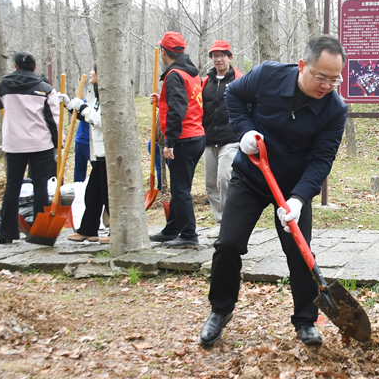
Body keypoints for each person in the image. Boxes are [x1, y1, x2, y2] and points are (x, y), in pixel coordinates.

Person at [199, 35, 348, 348]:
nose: (326, 85)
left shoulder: (335, 110)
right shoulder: (268, 75)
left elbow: (322, 160)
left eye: (334, 80)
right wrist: (245, 131)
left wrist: (298, 199)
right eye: (320, 77)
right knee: (228, 244)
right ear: (303, 66)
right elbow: (234, 97)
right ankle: (220, 310)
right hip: (252, 176)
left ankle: (305, 321)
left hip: (293, 188)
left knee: (300, 255)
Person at [0, 51, 59, 245]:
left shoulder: (2, 85)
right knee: (40, 187)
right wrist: (57, 143)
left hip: (14, 143)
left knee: (12, 186)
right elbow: (53, 119)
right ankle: (40, 232)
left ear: (15, 66)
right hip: (40, 143)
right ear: (35, 68)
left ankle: (7, 233)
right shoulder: (45, 88)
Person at [148, 31, 206, 249]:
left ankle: (189, 234)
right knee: (179, 186)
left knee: (180, 190)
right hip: (195, 135)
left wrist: (170, 142)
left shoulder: (174, 75)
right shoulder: (189, 73)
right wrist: (161, 99)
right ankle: (172, 229)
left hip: (184, 139)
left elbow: (178, 110)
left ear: (164, 52)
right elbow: (185, 100)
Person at [60, 69, 109, 244]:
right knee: (93, 192)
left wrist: (83, 108)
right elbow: (90, 116)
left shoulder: (109, 93)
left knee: (106, 192)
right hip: (98, 150)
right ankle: (88, 230)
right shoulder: (94, 94)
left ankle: (116, 231)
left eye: (95, 70)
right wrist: (70, 105)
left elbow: (102, 119)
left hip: (108, 150)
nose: (90, 73)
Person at [201, 40, 243, 239]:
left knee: (224, 178)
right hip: (209, 140)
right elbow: (190, 103)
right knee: (210, 183)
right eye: (215, 55)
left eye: (222, 55)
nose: (218, 59)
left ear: (230, 57)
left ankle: (229, 222)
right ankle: (220, 222)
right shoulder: (205, 82)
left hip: (231, 139)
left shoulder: (240, 80)